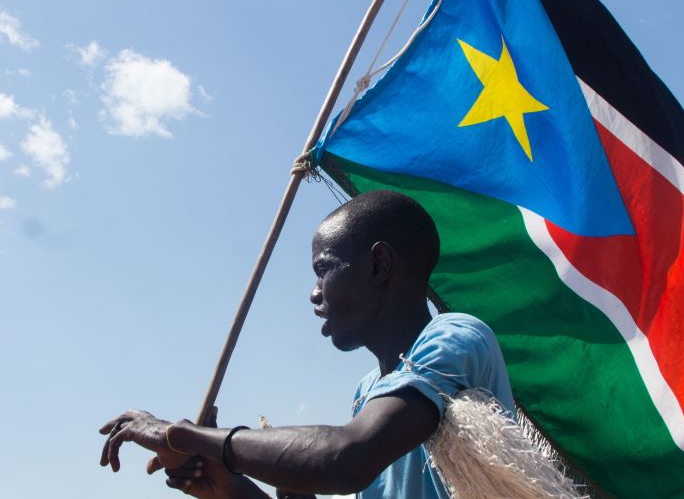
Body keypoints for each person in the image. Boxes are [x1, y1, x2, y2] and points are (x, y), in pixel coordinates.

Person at [99, 189, 515, 498]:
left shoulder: (456, 337)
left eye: (324, 270)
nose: (315, 294)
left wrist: (183, 437)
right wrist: (230, 486)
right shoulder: (368, 392)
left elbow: (346, 460)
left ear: (379, 264)